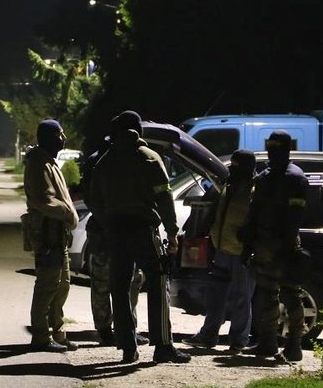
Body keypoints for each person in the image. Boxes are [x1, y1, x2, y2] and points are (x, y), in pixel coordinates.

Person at [88, 110, 191, 364]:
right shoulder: (149, 158)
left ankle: (127, 347)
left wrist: (107, 221)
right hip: (143, 230)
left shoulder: (105, 161)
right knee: (158, 281)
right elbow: (165, 198)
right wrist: (172, 232)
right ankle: (163, 345)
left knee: (119, 288)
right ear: (138, 131)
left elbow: (93, 199)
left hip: (115, 232)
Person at [240, 130, 309, 362]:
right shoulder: (265, 177)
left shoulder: (295, 178)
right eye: (270, 146)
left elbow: (295, 217)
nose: (271, 151)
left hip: (284, 245)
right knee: (266, 297)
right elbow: (254, 213)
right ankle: (268, 342)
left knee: (291, 296)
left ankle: (294, 344)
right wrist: (247, 245)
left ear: (287, 149)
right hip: (264, 245)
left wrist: (287, 249)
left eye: (276, 147)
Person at [185, 149, 257, 354]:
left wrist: (249, 246)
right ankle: (209, 335)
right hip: (222, 249)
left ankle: (238, 341)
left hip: (242, 252)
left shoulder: (255, 190)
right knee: (216, 296)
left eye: (237, 166)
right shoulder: (229, 186)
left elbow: (256, 221)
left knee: (241, 298)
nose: (232, 170)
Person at [82, 137, 147, 348]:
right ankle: (116, 330)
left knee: (111, 281)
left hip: (105, 229)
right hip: (109, 229)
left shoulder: (99, 160)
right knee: (124, 281)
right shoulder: (107, 161)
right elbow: (91, 198)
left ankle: (111, 329)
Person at [23, 119, 80, 352]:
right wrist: (68, 213)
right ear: (48, 137)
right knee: (47, 285)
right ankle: (40, 336)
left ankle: (57, 331)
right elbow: (43, 200)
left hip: (58, 233)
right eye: (59, 134)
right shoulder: (38, 164)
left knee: (62, 284)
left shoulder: (49, 162)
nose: (63, 138)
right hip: (47, 233)